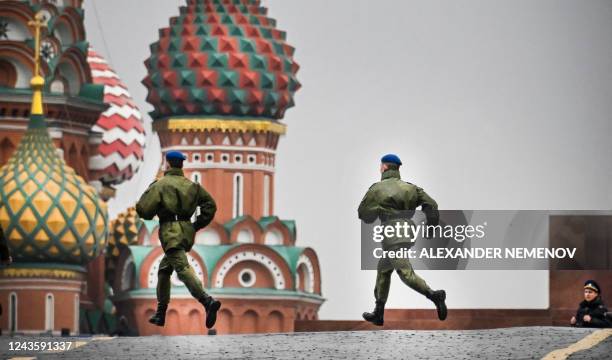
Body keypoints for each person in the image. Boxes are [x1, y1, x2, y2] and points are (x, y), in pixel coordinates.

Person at [359, 154, 447, 326]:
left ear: (384, 167)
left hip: (392, 234)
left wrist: (377, 210)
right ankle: (379, 312)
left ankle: (435, 295)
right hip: (405, 232)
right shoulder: (411, 188)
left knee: (405, 273)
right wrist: (431, 226)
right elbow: (432, 204)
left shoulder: (376, 189)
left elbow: (363, 214)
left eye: (380, 166)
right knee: (383, 269)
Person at [136, 151, 221, 329]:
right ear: (181, 165)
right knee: (164, 269)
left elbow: (144, 211)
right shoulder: (192, 186)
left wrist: (151, 188)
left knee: (182, 268)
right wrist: (196, 225)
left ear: (167, 164)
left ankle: (208, 302)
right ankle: (160, 313)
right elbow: (210, 206)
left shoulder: (161, 185)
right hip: (186, 231)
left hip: (170, 232)